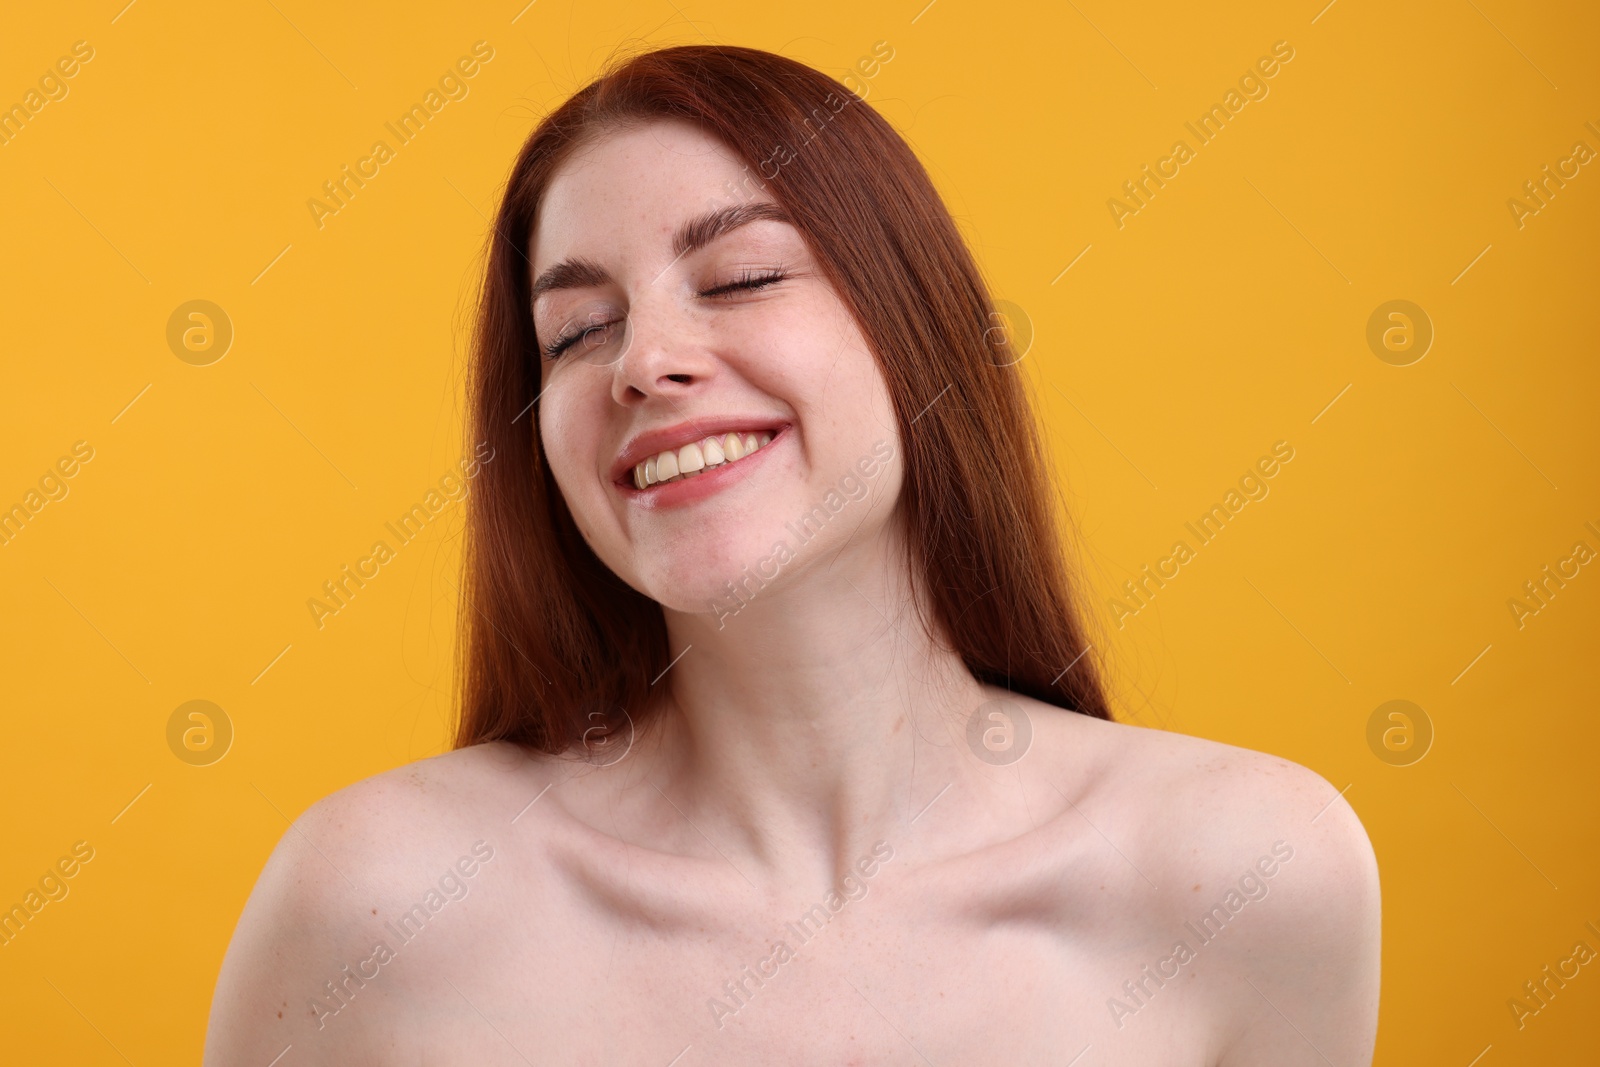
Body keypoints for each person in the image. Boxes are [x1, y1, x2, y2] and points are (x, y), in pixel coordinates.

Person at [205, 44, 1379, 1065]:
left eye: (744, 277)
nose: (644, 362)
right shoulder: (373, 904)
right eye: (576, 331)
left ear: (917, 328)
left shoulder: (1252, 873)